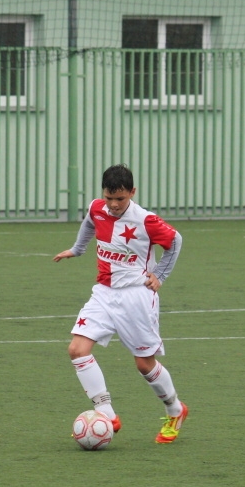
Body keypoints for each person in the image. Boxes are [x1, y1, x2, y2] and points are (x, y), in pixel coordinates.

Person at [53, 164, 188, 444]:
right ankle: (107, 414)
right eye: (109, 198)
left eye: (120, 199)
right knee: (77, 349)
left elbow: (175, 241)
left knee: (144, 364)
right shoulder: (97, 208)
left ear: (132, 192)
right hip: (103, 292)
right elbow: (89, 222)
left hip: (137, 296)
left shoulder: (146, 220)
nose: (113, 205)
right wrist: (77, 249)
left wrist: (160, 275)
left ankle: (175, 409)